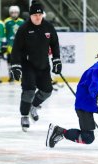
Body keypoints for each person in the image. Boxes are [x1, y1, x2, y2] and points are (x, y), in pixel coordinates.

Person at [10, 0, 62, 132]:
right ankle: (24, 116)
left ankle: (34, 106)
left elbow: (54, 44)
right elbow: (16, 49)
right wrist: (15, 66)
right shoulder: (23, 29)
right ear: (31, 16)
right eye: (35, 15)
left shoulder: (48, 27)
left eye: (40, 15)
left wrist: (56, 60)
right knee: (29, 90)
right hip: (28, 65)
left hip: (43, 64)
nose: (38, 17)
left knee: (47, 91)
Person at [4, 5, 25, 83]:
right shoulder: (6, 21)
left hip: (20, 45)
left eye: (16, 12)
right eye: (12, 13)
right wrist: (4, 44)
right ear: (10, 13)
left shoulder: (22, 22)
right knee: (10, 61)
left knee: (21, 61)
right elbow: (4, 33)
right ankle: (11, 75)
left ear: (18, 13)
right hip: (10, 45)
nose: (14, 14)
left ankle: (22, 75)